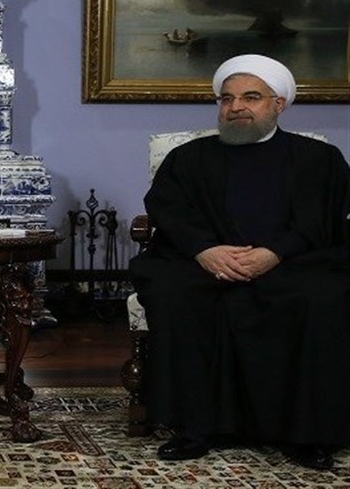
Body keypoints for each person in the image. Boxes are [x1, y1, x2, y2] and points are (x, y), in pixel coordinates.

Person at [129, 54, 350, 471]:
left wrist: (274, 252)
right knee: (173, 293)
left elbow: (322, 218)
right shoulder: (188, 158)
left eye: (251, 97)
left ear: (278, 104)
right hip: (204, 263)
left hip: (292, 263)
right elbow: (168, 210)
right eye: (227, 99)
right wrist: (205, 250)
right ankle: (193, 428)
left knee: (321, 297)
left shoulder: (318, 158)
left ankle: (308, 434)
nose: (236, 107)